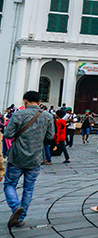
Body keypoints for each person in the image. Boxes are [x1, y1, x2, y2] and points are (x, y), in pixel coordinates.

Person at [3, 91, 55, 229]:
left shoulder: (18, 114)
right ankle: (20, 218)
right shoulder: (48, 116)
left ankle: (16, 206)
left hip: (17, 157)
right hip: (36, 157)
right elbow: (50, 136)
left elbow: (8, 134)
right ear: (39, 102)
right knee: (28, 188)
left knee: (9, 184)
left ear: (25, 101)